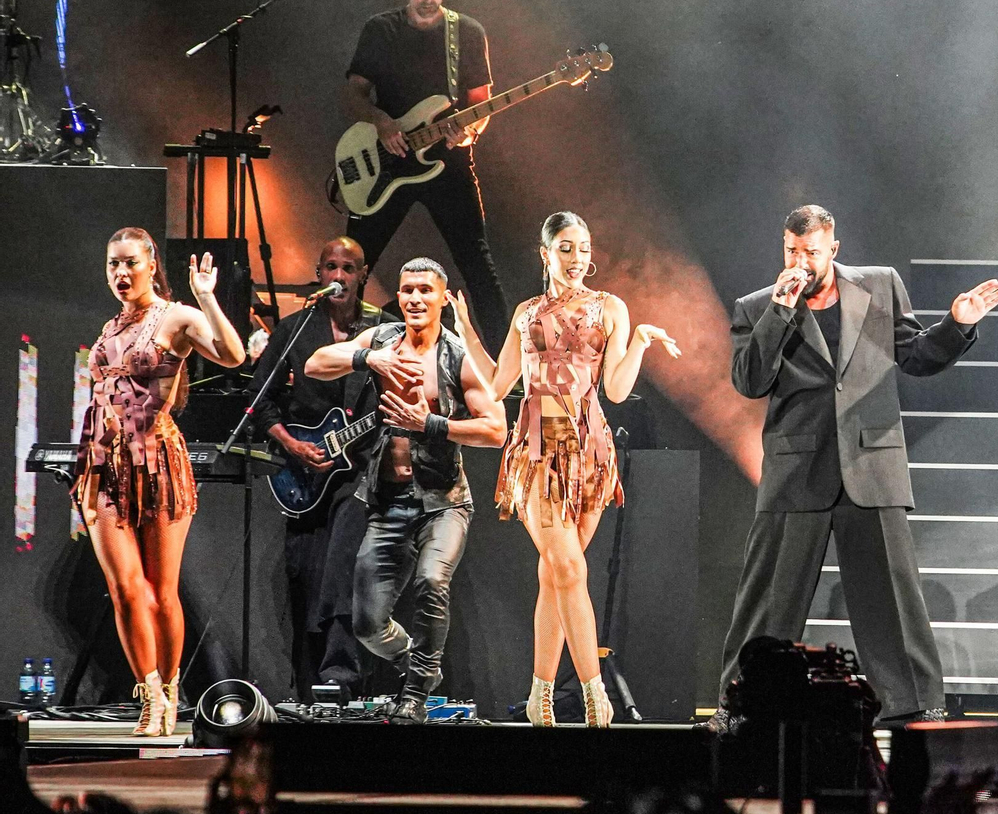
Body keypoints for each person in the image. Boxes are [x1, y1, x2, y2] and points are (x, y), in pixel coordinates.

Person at [713, 204, 998, 727]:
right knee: (767, 599)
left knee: (891, 596)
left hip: (871, 461)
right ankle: (741, 706)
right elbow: (750, 381)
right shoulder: (757, 306)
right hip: (797, 468)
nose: (800, 262)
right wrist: (779, 313)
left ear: (833, 249)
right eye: (791, 251)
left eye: (811, 252)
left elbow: (915, 357)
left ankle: (915, 703)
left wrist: (956, 326)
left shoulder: (880, 285)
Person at [453, 211, 680, 727]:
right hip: (537, 444)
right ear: (545, 254)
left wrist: (640, 340)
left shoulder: (610, 308)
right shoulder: (526, 312)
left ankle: (540, 695)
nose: (578, 259)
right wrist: (466, 330)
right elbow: (493, 385)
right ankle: (594, 695)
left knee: (555, 574)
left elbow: (617, 391)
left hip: (590, 448)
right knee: (570, 568)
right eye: (566, 248)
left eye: (583, 247)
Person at [305, 258, 506, 723]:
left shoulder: (456, 356)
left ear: (442, 298)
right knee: (367, 624)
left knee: (432, 582)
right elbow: (316, 364)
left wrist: (430, 423)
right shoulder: (381, 340)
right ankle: (421, 665)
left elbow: (496, 430)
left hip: (444, 503)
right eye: (407, 290)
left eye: (425, 291)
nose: (415, 299)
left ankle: (415, 694)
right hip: (386, 501)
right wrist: (365, 358)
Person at [74, 228, 246, 735]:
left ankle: (171, 689)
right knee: (126, 589)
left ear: (151, 263)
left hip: (159, 463)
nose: (121, 274)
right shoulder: (109, 327)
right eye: (112, 265)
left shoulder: (175, 316)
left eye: (130, 263)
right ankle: (149, 692)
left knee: (160, 590)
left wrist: (209, 300)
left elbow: (233, 355)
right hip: (104, 464)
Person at [342, 0, 509, 342]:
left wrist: (468, 131)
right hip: (386, 162)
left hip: (447, 164)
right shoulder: (381, 29)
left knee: (477, 264)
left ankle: (510, 373)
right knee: (352, 263)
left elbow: (480, 104)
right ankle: (335, 364)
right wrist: (381, 121)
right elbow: (353, 94)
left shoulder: (467, 32)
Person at [246, 238, 384, 700]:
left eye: (349, 268)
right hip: (303, 471)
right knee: (304, 575)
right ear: (319, 273)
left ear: (363, 275)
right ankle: (309, 691)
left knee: (343, 570)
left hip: (361, 469)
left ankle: (342, 681)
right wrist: (290, 444)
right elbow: (259, 399)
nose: (339, 276)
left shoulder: (383, 329)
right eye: (331, 267)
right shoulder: (295, 327)